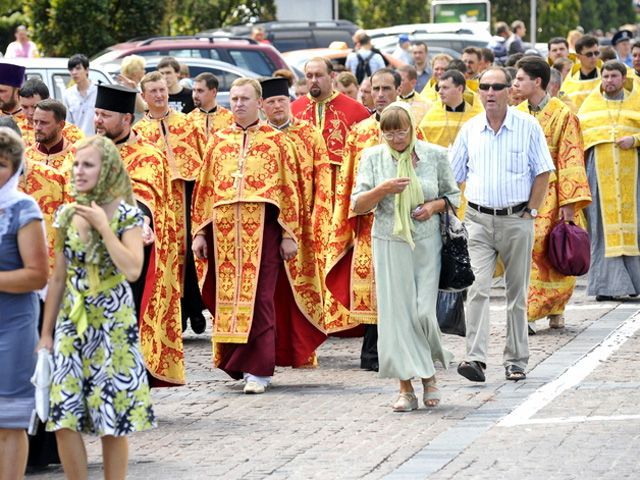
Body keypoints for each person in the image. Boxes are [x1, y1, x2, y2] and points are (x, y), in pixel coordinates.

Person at [38, 135, 155, 479]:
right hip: (72, 324)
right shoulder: (65, 213)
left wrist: (104, 228)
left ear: (107, 170)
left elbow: (132, 269)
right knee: (63, 416)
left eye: (87, 164)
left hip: (112, 325)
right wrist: (46, 334)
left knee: (112, 418)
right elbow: (58, 278)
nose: (78, 171)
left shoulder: (128, 215)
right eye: (76, 164)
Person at [192, 78, 307, 393]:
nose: (239, 104)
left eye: (245, 99)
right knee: (224, 298)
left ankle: (259, 369)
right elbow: (203, 190)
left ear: (259, 102)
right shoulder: (217, 141)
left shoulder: (277, 142)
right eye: (235, 99)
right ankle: (238, 361)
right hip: (224, 232)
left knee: (261, 299)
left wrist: (288, 234)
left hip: (264, 230)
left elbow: (290, 190)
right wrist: (200, 233)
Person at [351, 102, 458, 411]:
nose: (396, 139)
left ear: (412, 128)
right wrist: (382, 190)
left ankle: (429, 374)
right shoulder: (372, 157)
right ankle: (406, 388)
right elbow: (358, 204)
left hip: (426, 243)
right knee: (396, 317)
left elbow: (452, 196)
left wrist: (432, 207)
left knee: (424, 311)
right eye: (389, 133)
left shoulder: (434, 155)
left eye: (401, 131)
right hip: (389, 240)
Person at [450, 66, 554, 382]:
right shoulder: (469, 129)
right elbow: (453, 176)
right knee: (477, 288)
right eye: (485, 87)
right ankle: (475, 359)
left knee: (516, 293)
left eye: (497, 87)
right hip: (478, 221)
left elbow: (543, 172)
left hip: (516, 218)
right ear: (478, 91)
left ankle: (516, 360)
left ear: (510, 90)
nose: (491, 93)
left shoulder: (528, 126)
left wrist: (531, 213)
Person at [325, 68, 416, 369]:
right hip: (370, 222)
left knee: (400, 285)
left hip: (404, 219)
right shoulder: (360, 132)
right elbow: (348, 181)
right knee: (372, 287)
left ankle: (404, 347)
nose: (380, 95)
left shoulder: (413, 127)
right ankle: (372, 352)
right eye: (375, 88)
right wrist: (345, 216)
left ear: (398, 89)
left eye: (386, 88)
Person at [94, 84, 185, 387]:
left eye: (104, 115)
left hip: (133, 253)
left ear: (125, 119)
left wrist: (141, 219)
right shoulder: (90, 150)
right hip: (95, 252)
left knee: (126, 319)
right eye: (96, 113)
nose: (97, 120)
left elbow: (145, 193)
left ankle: (126, 385)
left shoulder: (147, 155)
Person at [513, 56, 591, 332]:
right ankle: (529, 312)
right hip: (522, 192)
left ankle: (555, 306)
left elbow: (571, 159)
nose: (515, 83)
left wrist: (569, 205)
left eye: (520, 78)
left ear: (537, 81)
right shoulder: (516, 112)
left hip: (554, 194)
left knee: (554, 249)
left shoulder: (563, 114)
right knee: (526, 249)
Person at [259, 76, 331, 365]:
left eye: (281, 100)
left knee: (301, 287)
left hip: (303, 223)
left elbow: (323, 176)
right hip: (267, 224)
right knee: (270, 289)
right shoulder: (258, 136)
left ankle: (302, 350)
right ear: (262, 106)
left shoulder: (308, 133)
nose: (277, 106)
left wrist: (319, 215)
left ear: (289, 102)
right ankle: (271, 350)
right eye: (271, 102)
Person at [135, 71, 205, 334]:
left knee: (189, 253)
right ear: (144, 97)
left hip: (186, 197)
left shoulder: (187, 124)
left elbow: (203, 160)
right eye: (153, 91)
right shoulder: (139, 131)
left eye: (162, 90)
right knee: (167, 256)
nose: (159, 95)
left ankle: (195, 308)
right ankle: (174, 313)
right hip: (158, 203)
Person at [0, 127, 48, 480]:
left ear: (15, 169)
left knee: (7, 422)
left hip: (12, 324)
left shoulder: (23, 208)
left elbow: (37, 275)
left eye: (0, 164)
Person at [578, 60, 640, 300]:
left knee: (634, 227)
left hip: (632, 174)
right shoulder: (590, 105)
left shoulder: (636, 100)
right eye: (605, 76)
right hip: (599, 175)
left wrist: (634, 140)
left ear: (623, 79)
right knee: (602, 229)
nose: (609, 81)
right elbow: (579, 137)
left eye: (614, 76)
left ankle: (634, 283)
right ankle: (605, 287)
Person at [291, 57, 370, 205]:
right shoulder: (293, 110)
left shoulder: (357, 111)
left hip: (341, 189)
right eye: (309, 76)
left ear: (332, 76)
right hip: (303, 188)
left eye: (319, 75)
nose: (314, 80)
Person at [419, 69, 484, 149]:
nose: (440, 92)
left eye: (445, 88)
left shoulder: (477, 114)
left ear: (460, 89)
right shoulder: (432, 115)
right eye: (439, 88)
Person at [18, 78, 84, 148]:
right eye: (25, 107)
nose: (30, 113)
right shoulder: (15, 131)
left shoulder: (72, 133)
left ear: (48, 101)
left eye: (35, 107)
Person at [26, 99, 77, 174]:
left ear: (61, 125)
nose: (37, 127)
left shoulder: (75, 158)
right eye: (35, 122)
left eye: (44, 123)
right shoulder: (26, 157)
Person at [187, 72, 234, 143]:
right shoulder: (188, 119)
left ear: (214, 92)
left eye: (200, 91)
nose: (195, 95)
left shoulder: (230, 119)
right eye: (194, 90)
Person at [560, 35, 602, 110]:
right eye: (589, 54)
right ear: (578, 57)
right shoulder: (569, 82)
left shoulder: (606, 77)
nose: (594, 57)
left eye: (596, 53)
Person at [62, 54, 97, 136]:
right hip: (77, 143)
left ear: (87, 70)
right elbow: (68, 123)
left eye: (78, 68)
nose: (74, 72)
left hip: (96, 142)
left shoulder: (98, 91)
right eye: (71, 69)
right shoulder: (67, 94)